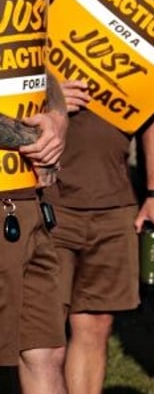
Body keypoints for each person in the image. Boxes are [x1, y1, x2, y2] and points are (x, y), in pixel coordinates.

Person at [21, 0, 154, 394]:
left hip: (112, 205)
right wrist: (48, 95)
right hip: (46, 201)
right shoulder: (22, 27)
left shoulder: (121, 29)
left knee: (96, 326)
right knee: (46, 339)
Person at [0, 69, 68, 393]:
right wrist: (35, 139)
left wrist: (57, 117)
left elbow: (41, 67)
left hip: (29, 203)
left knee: (47, 352)